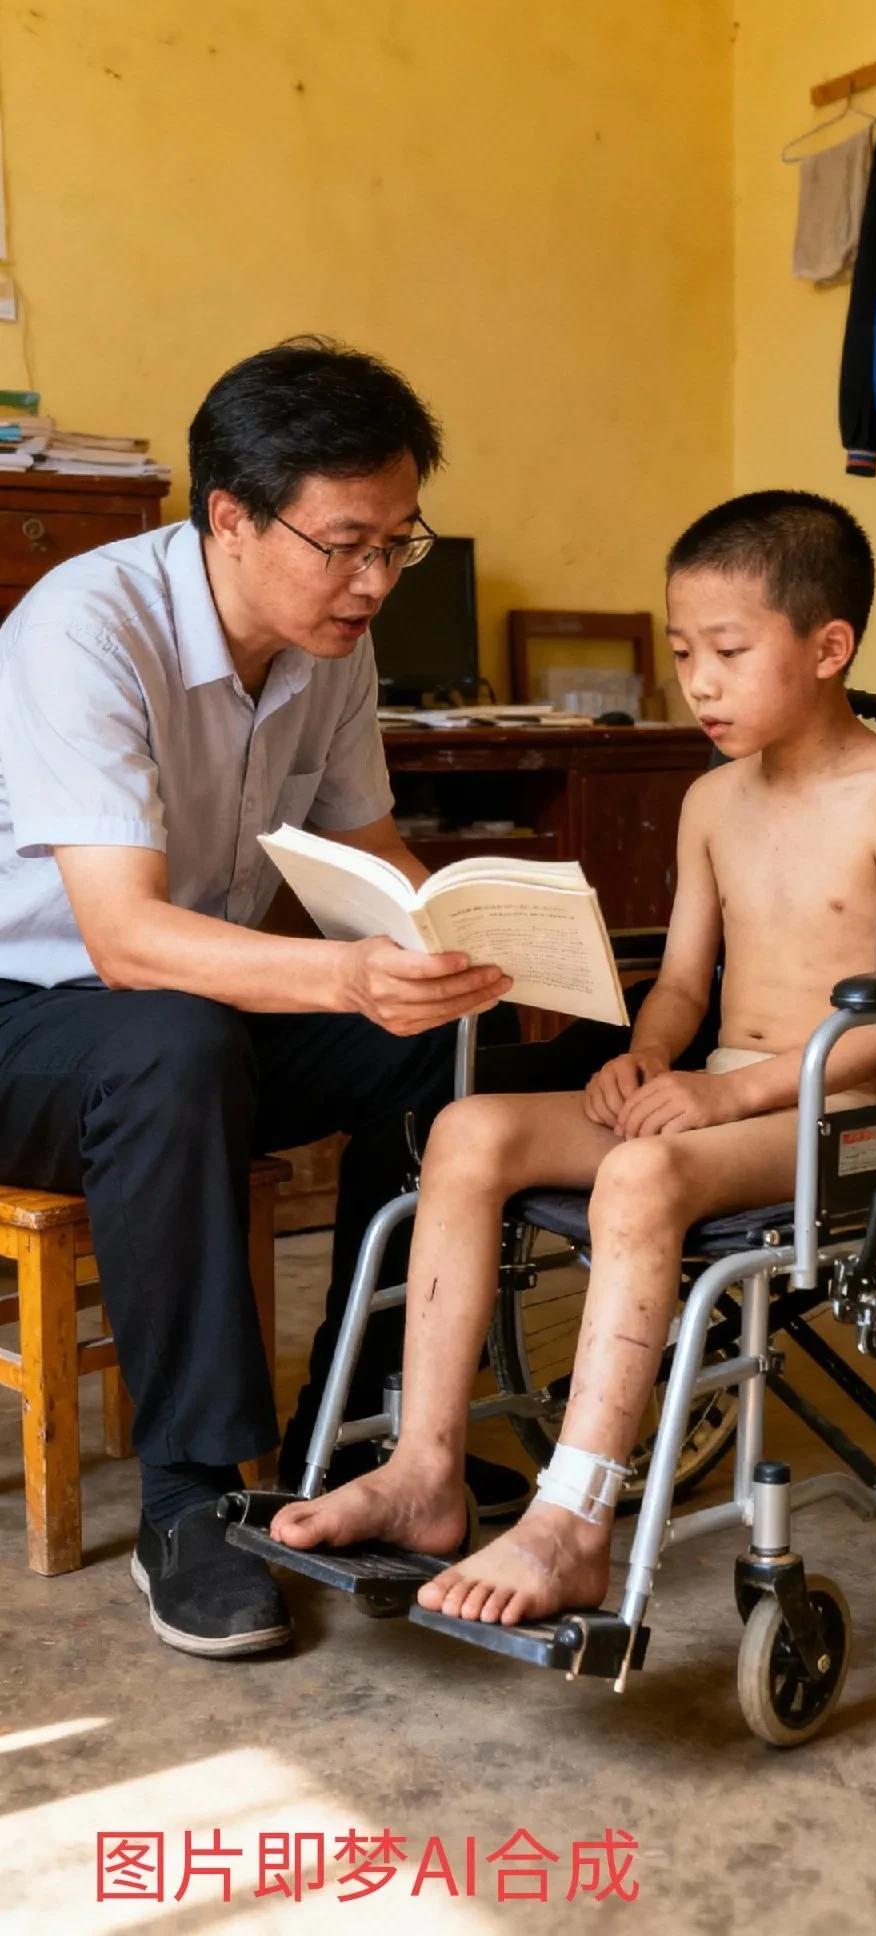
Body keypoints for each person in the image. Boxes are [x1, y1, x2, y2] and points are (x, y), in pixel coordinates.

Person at [270, 490, 876, 1624]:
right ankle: (422, 1470)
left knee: (641, 1174)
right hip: (710, 1089)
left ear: (830, 647)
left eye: (730, 651)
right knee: (467, 1129)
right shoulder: (708, 801)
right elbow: (685, 982)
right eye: (686, 651)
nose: (700, 681)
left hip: (842, 1104)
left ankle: (574, 1518)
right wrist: (641, 1055)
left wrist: (725, 1088)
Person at [0, 337, 527, 1657]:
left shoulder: (324, 643)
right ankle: (193, 1494)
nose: (373, 582)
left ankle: (372, 1438)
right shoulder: (87, 625)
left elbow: (369, 845)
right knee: (170, 1046)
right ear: (230, 514)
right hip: (30, 1017)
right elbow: (123, 939)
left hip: (190, 1016)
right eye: (345, 543)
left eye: (398, 543)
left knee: (450, 1042)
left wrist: (461, 937)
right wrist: (349, 972)